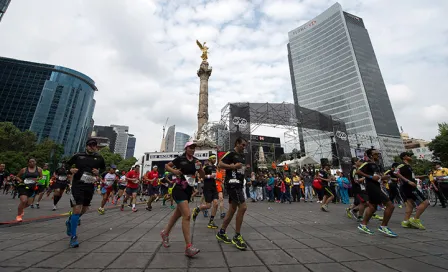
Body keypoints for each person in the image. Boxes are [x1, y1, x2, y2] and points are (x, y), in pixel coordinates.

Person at [160, 141, 204, 257]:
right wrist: (174, 171)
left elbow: (202, 176)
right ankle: (188, 247)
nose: (193, 149)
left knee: (177, 215)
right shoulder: (180, 159)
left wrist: (200, 169)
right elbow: (167, 166)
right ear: (186, 148)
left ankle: (165, 233)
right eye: (190, 147)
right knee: (187, 215)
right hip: (178, 189)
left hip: (188, 190)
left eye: (194, 148)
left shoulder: (196, 161)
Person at [65, 138, 106, 248]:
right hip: (78, 184)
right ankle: (73, 237)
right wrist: (70, 170)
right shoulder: (78, 156)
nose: (93, 147)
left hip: (90, 185)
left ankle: (70, 221)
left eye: (95, 145)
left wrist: (99, 172)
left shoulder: (99, 158)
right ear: (86, 146)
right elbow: (66, 165)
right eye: (90, 145)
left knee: (84, 209)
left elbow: (104, 170)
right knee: (77, 208)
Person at [216, 137, 248, 250]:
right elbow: (219, 164)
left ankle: (221, 232)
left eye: (245, 145)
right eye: (243, 145)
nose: (244, 147)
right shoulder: (230, 153)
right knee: (243, 207)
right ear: (237, 143)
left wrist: (243, 168)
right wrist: (233, 166)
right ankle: (237, 236)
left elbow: (240, 169)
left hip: (239, 184)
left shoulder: (243, 156)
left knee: (232, 210)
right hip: (232, 184)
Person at [356, 149, 397, 237]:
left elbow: (379, 177)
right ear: (370, 155)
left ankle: (363, 225)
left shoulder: (377, 165)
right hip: (371, 187)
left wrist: (386, 177)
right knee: (390, 205)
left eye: (378, 153)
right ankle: (383, 226)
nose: (378, 154)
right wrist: (370, 177)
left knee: (372, 207)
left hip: (377, 186)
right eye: (375, 153)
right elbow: (358, 171)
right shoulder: (367, 163)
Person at [395, 152, 429, 230]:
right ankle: (415, 220)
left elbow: (411, 177)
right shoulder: (401, 165)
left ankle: (406, 221)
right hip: (408, 187)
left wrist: (421, 176)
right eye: (409, 156)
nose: (411, 157)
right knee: (425, 202)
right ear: (404, 157)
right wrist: (408, 181)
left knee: (410, 204)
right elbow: (395, 173)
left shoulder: (409, 166)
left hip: (409, 186)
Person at [192, 155, 220, 229]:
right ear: (210, 159)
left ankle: (211, 222)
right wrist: (209, 176)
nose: (215, 159)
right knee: (208, 206)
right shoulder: (206, 167)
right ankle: (197, 209)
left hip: (214, 186)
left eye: (215, 158)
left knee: (216, 204)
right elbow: (200, 175)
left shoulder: (214, 167)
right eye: (213, 158)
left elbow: (214, 175)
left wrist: (215, 177)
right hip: (207, 187)